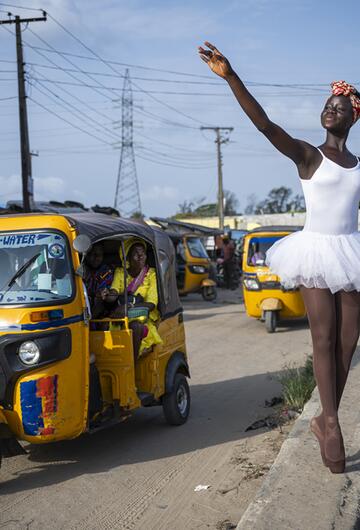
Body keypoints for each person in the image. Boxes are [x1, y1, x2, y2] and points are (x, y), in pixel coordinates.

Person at [198, 42, 360, 474]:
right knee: (324, 337)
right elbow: (266, 125)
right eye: (327, 105)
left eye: (339, 107)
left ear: (352, 117)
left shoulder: (359, 166)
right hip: (314, 250)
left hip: (350, 250)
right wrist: (231, 76)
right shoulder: (310, 155)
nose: (330, 110)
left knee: (349, 342)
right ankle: (335, 428)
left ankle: (325, 418)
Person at [106, 238, 162, 362]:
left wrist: (129, 307)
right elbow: (114, 292)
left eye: (143, 253)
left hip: (144, 320)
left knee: (135, 327)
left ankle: (132, 365)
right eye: (136, 254)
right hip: (121, 317)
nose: (141, 256)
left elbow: (151, 304)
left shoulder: (151, 274)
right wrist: (108, 295)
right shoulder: (120, 273)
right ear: (127, 258)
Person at [83, 242, 114, 322]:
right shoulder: (80, 268)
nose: (94, 258)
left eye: (98, 255)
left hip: (100, 312)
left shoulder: (107, 271)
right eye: (90, 254)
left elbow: (103, 294)